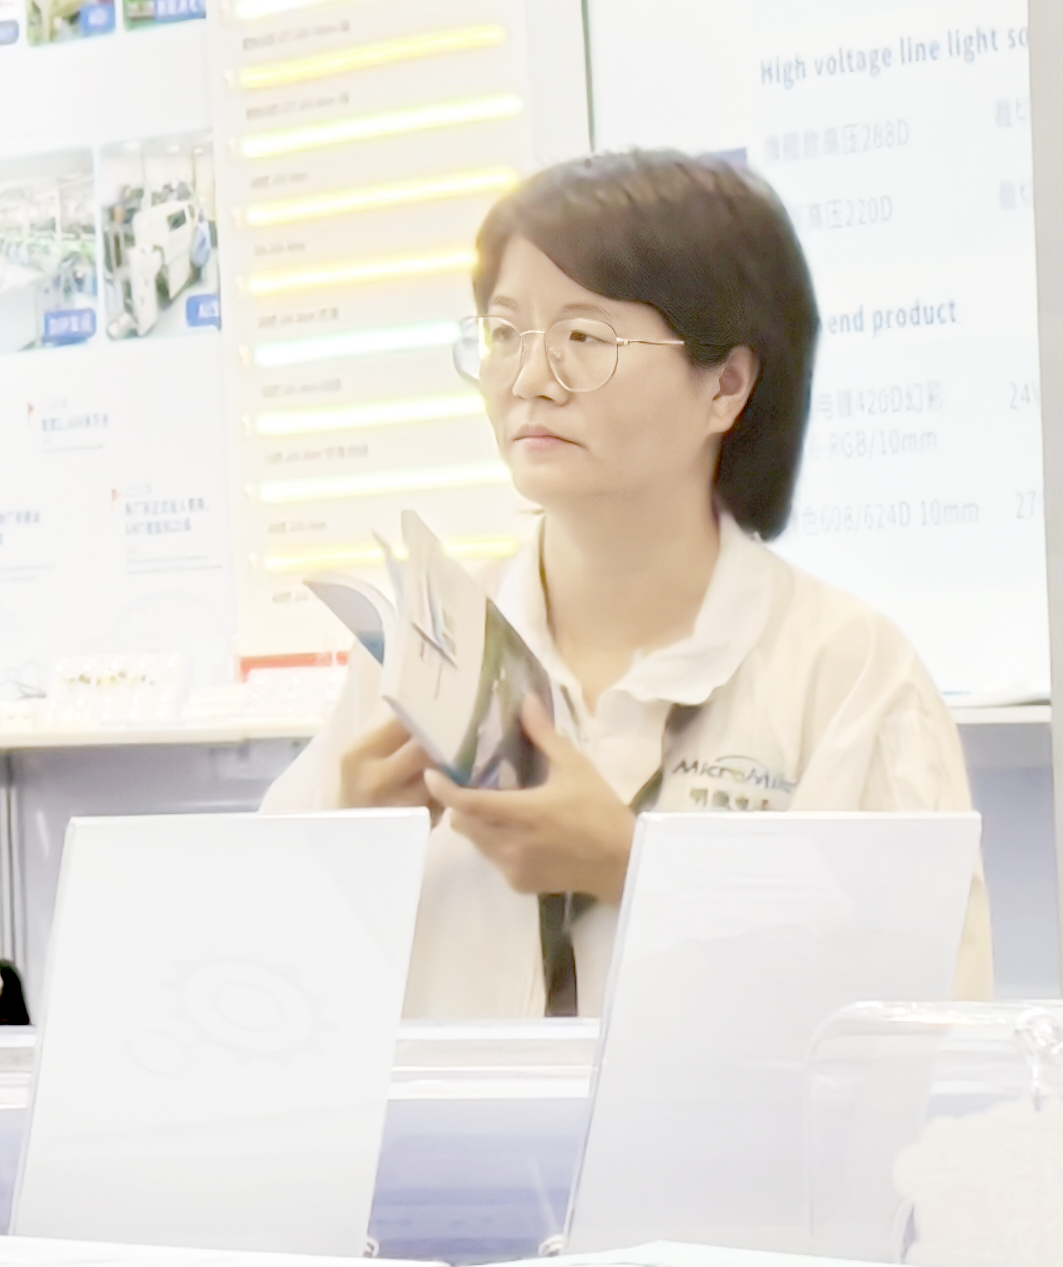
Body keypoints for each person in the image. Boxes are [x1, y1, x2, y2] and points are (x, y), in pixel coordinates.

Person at [264, 150, 987, 1015]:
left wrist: (632, 867)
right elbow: (252, 992)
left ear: (725, 386)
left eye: (584, 339)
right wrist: (346, 853)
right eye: (504, 335)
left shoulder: (848, 673)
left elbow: (916, 1025)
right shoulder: (423, 654)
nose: (529, 381)